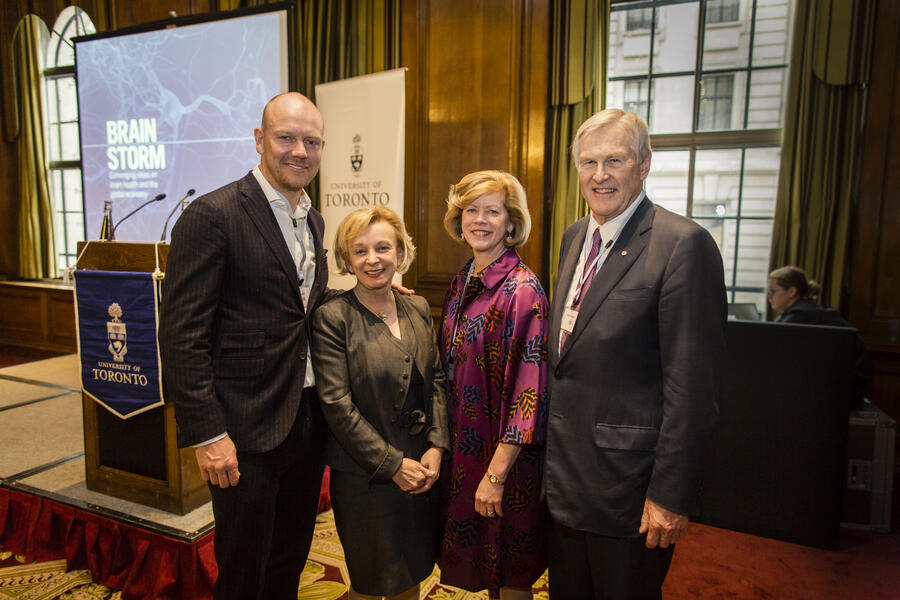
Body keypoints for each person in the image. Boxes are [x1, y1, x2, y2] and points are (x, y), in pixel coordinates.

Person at [544, 108, 727, 600]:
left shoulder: (683, 245)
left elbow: (692, 390)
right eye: (587, 162)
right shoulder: (573, 237)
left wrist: (669, 496)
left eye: (615, 160)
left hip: (629, 493)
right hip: (564, 482)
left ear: (645, 164)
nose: (599, 175)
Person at [158, 92, 329, 600]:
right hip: (242, 430)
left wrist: (376, 296)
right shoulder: (213, 215)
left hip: (304, 418)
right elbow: (182, 335)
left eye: (312, 141)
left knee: (290, 556)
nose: (299, 150)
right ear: (259, 140)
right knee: (242, 567)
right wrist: (207, 434)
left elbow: (297, 304)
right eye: (286, 138)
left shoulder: (312, 219)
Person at [310, 206, 449, 600]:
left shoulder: (418, 307)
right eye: (360, 250)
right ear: (347, 259)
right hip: (364, 479)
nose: (372, 259)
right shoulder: (333, 317)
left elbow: (436, 380)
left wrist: (437, 447)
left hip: (421, 470)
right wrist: (391, 465)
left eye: (383, 247)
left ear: (401, 254)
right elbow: (336, 404)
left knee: (411, 575)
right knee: (371, 584)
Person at [437, 170, 549, 600]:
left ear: (511, 221)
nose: (480, 220)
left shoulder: (523, 290)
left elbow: (529, 395)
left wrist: (497, 475)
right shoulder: (462, 280)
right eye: (471, 210)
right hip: (467, 454)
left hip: (507, 463)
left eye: (492, 211)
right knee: (484, 567)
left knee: (511, 572)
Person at [767, 265, 872, 403]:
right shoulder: (808, 310)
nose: (768, 296)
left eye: (772, 290)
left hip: (843, 390)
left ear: (792, 291)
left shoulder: (801, 315)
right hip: (847, 386)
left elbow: (771, 347)